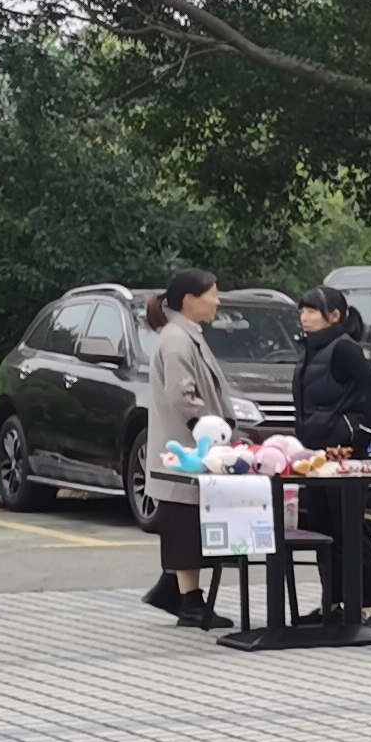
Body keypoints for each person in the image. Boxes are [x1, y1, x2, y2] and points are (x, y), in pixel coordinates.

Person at [287, 285, 371, 621]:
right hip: (317, 453)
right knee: (322, 527)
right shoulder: (310, 349)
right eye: (302, 310)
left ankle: (366, 608)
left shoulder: (343, 348)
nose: (304, 317)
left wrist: (363, 435)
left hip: (344, 453)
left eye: (312, 310)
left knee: (350, 527)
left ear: (335, 316)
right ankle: (332, 604)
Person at [139, 271, 232, 632]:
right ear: (190, 299)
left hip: (189, 452)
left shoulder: (184, 335)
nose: (218, 301)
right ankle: (189, 602)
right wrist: (209, 432)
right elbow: (183, 396)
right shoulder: (177, 340)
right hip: (186, 452)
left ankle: (173, 591)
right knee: (186, 527)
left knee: (187, 526)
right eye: (213, 294)